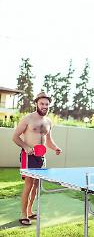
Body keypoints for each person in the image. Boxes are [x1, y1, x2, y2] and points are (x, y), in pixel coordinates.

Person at [12, 92, 62, 226]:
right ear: (36, 104)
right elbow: (15, 137)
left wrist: (56, 148)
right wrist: (25, 146)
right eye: (42, 104)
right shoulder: (27, 119)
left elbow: (49, 141)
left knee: (36, 186)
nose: (45, 106)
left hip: (41, 158)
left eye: (47, 104)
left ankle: (29, 211)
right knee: (28, 184)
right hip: (28, 156)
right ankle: (23, 214)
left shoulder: (49, 122)